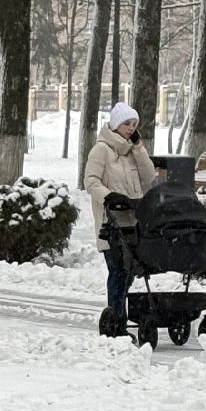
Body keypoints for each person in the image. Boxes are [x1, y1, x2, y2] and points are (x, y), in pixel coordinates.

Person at [84, 101, 159, 335]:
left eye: (134, 124)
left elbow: (149, 177)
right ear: (116, 124)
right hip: (111, 223)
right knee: (118, 271)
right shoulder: (101, 150)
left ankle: (119, 316)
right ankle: (116, 322)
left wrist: (139, 149)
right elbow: (91, 182)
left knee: (129, 273)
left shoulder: (132, 151)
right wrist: (109, 196)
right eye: (127, 123)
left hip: (133, 222)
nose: (131, 128)